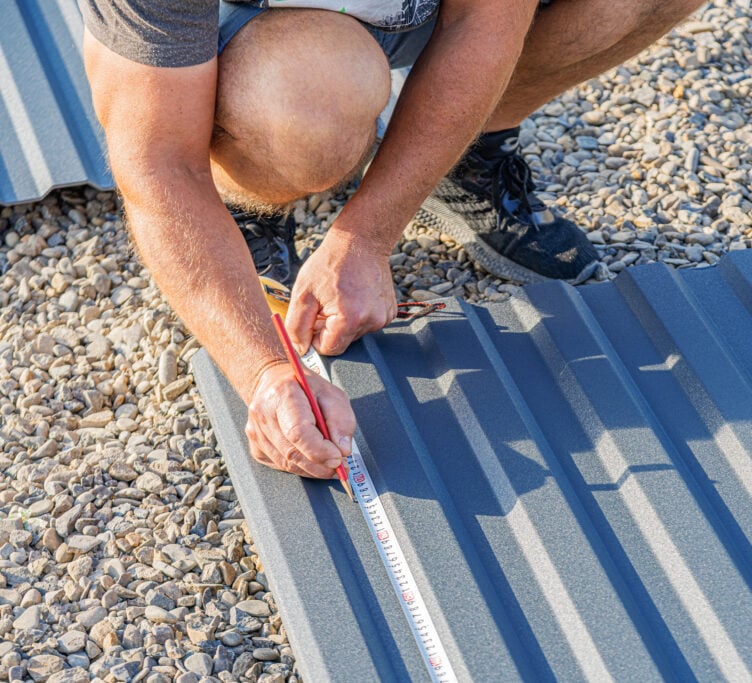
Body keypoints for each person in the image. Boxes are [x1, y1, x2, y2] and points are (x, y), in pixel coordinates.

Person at [80, 0, 703, 478]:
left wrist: (368, 236)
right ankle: (249, 204)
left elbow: (481, 25)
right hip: (265, 43)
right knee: (310, 107)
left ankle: (465, 153)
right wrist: (267, 373)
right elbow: (159, 160)